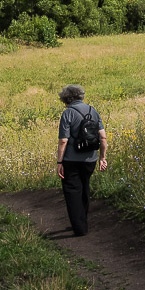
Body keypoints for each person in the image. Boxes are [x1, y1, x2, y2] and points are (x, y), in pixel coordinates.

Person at [55, 84, 107, 236]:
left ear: (66, 99)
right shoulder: (93, 111)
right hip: (90, 159)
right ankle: (82, 221)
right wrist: (102, 157)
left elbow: (63, 140)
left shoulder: (68, 113)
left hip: (71, 160)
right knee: (84, 188)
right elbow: (102, 137)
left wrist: (59, 162)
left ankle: (80, 228)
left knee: (72, 191)